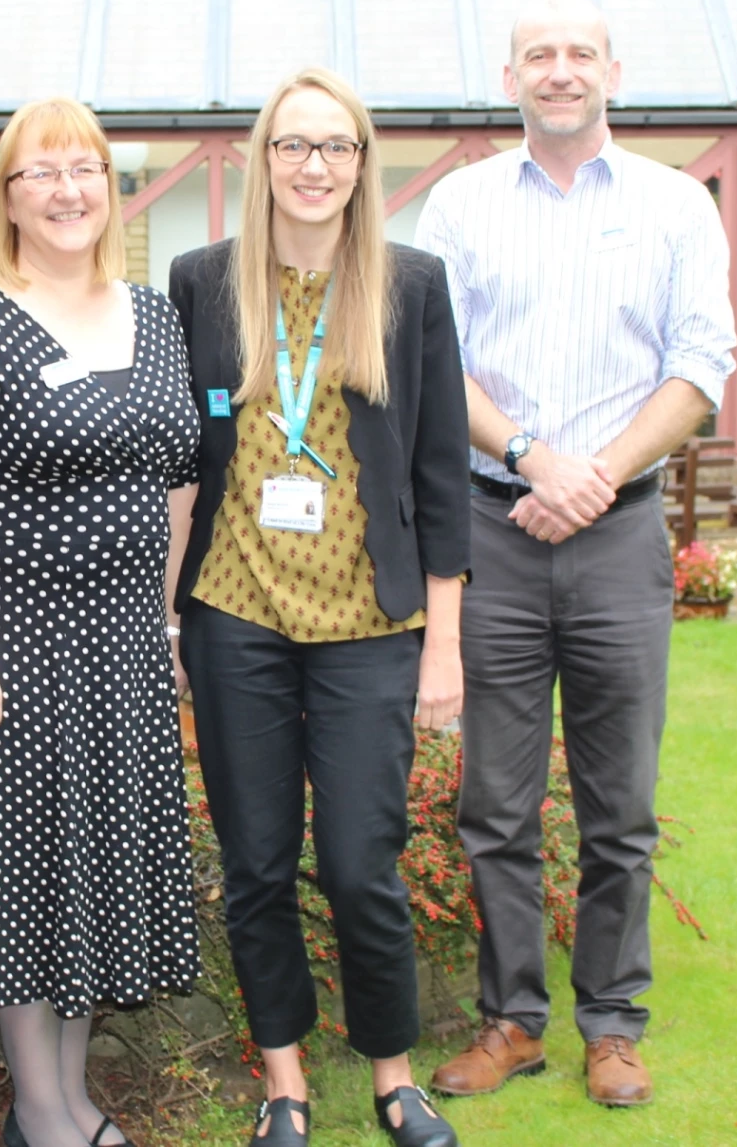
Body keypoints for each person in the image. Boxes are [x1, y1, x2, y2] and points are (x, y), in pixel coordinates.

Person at [413, 0, 736, 1108]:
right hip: (493, 530)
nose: (559, 70)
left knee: (618, 802)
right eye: (537, 55)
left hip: (621, 535)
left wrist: (592, 477)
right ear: (508, 77)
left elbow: (702, 360)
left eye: (578, 53)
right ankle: (511, 1022)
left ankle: (610, 1024)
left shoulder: (672, 204)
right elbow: (430, 363)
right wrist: (536, 457)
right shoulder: (457, 206)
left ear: (612, 70)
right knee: (493, 803)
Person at [168, 68, 469, 1147]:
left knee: (356, 864)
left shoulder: (409, 287)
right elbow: (182, 465)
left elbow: (440, 476)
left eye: (333, 148)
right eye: (292, 146)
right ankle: (284, 1082)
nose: (312, 167)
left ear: (359, 164)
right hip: (235, 614)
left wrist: (444, 645)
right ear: (263, 161)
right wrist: (168, 615)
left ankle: (392, 1074)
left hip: (371, 625)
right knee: (253, 862)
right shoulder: (201, 282)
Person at [0, 96, 201, 1147]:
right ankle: (40, 1111)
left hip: (120, 641)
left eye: (86, 169)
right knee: (26, 871)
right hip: (14, 642)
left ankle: (66, 1106)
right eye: (41, 173)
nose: (67, 191)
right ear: (9, 198)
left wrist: (160, 627)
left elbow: (176, 484)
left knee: (93, 870)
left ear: (108, 187)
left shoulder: (157, 318)